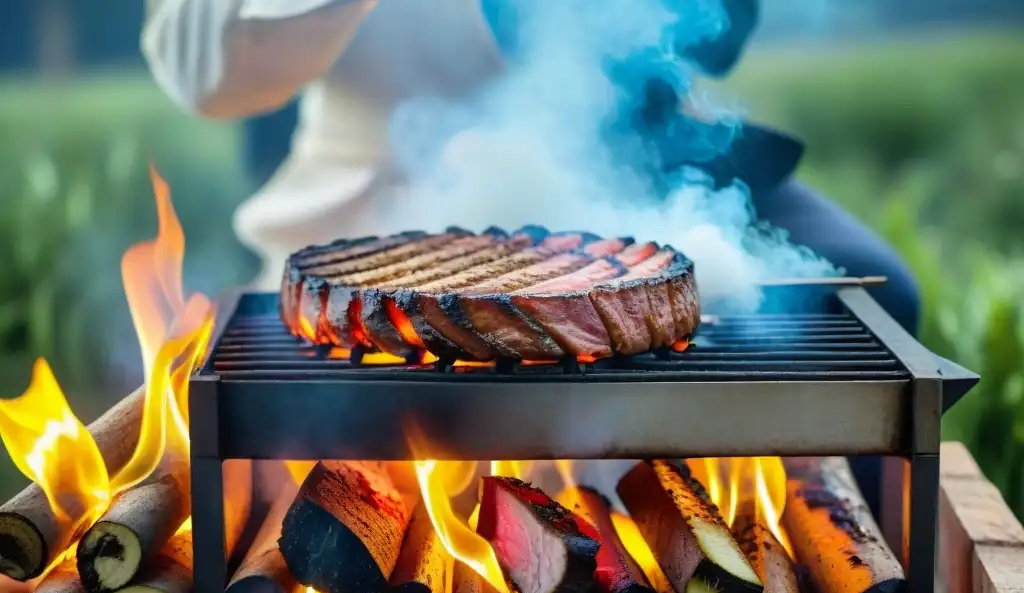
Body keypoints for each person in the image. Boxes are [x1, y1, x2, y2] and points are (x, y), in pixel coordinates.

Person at [141, 0, 920, 338]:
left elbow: (717, 33)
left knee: (873, 298)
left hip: (650, 173)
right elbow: (198, 70)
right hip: (388, 205)